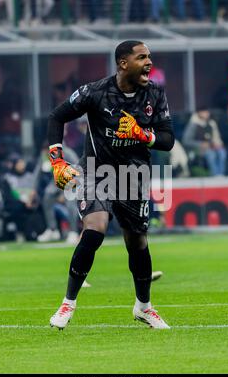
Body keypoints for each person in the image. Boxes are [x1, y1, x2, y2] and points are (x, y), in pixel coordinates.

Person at [47, 40, 175, 330]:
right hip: (96, 172)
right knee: (95, 230)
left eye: (149, 57)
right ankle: (68, 303)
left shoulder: (155, 92)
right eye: (142, 57)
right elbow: (57, 116)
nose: (149, 62)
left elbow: (167, 140)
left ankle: (144, 307)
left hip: (134, 176)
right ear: (123, 63)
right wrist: (57, 161)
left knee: (137, 242)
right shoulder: (95, 92)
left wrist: (143, 134)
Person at [182, 107, 226, 176]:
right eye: (204, 112)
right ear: (199, 113)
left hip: (212, 147)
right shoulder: (193, 124)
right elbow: (186, 141)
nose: (206, 114)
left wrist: (218, 144)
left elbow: (216, 137)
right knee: (211, 154)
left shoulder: (211, 124)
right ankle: (214, 175)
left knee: (222, 153)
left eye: (207, 112)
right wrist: (200, 144)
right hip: (197, 149)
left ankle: (221, 174)